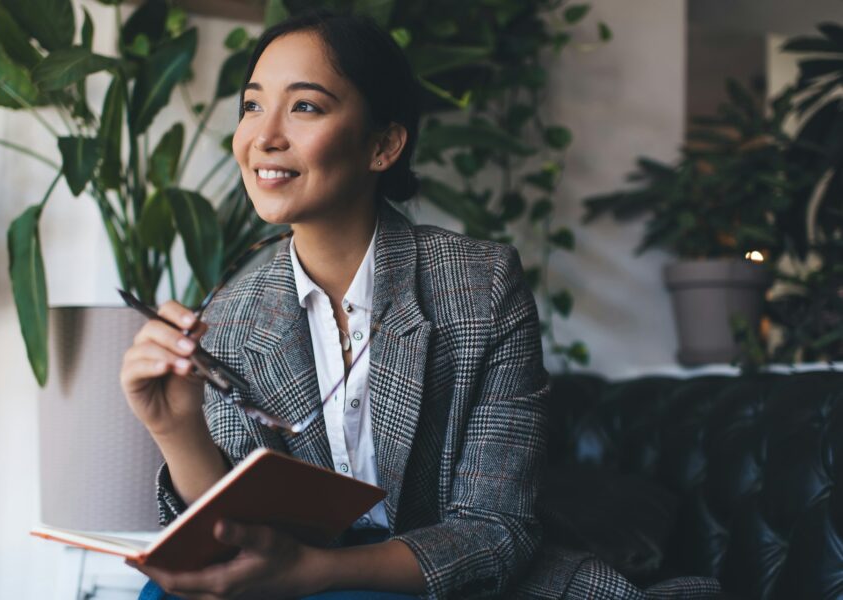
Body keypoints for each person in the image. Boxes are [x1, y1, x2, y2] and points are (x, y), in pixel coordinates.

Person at [120, 10, 721, 600]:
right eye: (252, 105)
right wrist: (175, 429)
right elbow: (232, 540)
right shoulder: (229, 316)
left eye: (304, 106)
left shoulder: (480, 284)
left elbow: (496, 530)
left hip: (448, 582)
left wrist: (318, 573)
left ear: (383, 145)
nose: (264, 136)